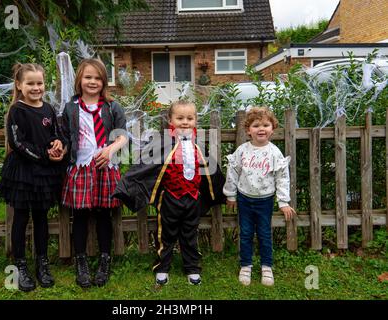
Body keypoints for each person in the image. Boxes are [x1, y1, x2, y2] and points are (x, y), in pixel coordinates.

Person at [113, 100, 226, 286]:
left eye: (190, 118)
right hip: (170, 199)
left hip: (193, 199)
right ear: (170, 120)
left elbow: (212, 171)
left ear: (195, 120)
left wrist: (225, 192)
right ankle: (162, 267)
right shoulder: (163, 143)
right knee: (165, 235)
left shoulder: (198, 145)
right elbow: (144, 167)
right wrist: (126, 188)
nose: (185, 122)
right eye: (180, 118)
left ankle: (192, 268)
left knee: (190, 235)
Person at [60, 58, 128, 288]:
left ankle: (104, 260)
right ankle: (81, 263)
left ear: (104, 81)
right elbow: (66, 138)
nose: (92, 81)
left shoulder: (112, 107)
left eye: (97, 78)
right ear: (80, 79)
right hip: (80, 167)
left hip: (105, 167)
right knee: (79, 215)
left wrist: (110, 150)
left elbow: (123, 136)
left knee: (102, 215)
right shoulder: (71, 108)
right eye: (88, 77)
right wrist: (59, 148)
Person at [0, 63, 66, 292]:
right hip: (24, 171)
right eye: (30, 83)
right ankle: (20, 266)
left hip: (44, 173)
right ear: (19, 85)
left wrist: (58, 143)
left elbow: (55, 133)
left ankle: (42, 263)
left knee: (41, 218)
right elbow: (18, 143)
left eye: (39, 83)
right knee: (20, 218)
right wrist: (44, 155)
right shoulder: (17, 110)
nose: (36, 88)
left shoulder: (47, 108)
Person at [223, 106, 296, 287]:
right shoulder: (242, 151)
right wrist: (230, 194)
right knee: (246, 233)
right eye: (256, 125)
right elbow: (233, 172)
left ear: (272, 128)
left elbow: (282, 178)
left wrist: (283, 201)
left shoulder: (274, 152)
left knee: (264, 233)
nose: (261, 129)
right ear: (248, 130)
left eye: (265, 125)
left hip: (265, 200)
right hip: (244, 199)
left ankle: (266, 267)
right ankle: (246, 266)